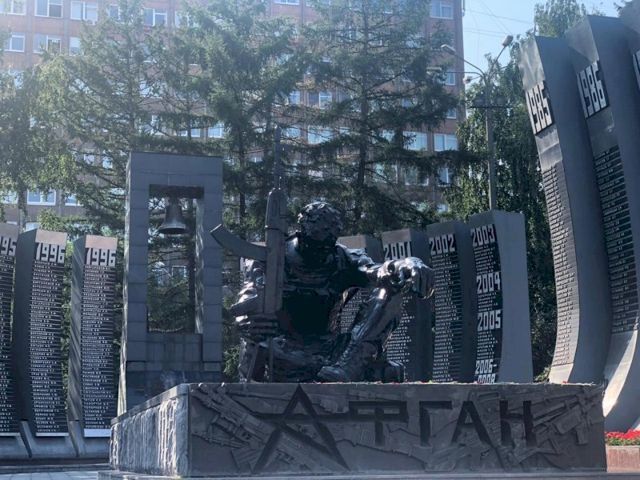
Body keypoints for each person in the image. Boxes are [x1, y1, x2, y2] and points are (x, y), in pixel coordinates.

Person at [232, 201, 434, 382]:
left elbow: (376, 271)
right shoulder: (270, 259)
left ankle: (349, 366)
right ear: (301, 235)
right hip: (282, 348)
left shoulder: (341, 257)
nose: (321, 254)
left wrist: (405, 264)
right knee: (258, 345)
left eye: (326, 247)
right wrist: (249, 321)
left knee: (391, 288)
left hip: (334, 354)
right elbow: (248, 299)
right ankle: (339, 370)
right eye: (315, 247)